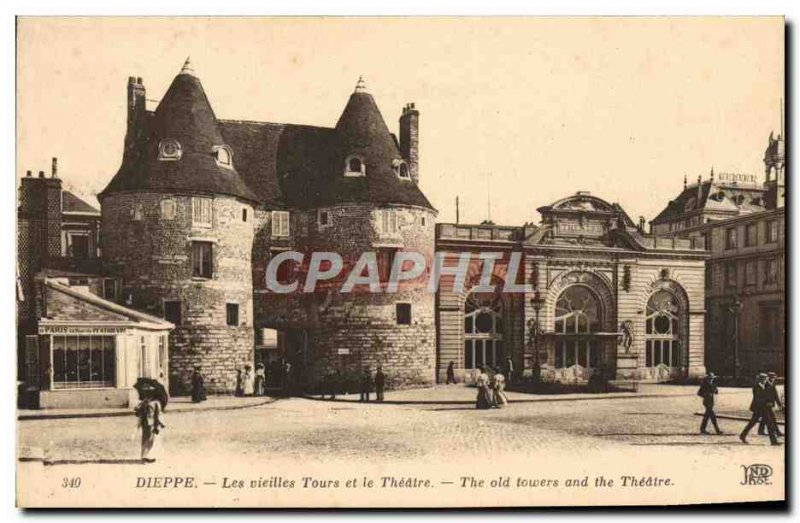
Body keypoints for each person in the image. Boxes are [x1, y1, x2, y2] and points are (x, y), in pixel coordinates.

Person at [740, 373, 780, 445]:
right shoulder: (756, 387)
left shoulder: (766, 385)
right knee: (752, 423)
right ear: (759, 379)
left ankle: (774, 441)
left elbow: (771, 394)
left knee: (769, 423)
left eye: (765, 379)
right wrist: (766, 402)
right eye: (763, 379)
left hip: (764, 408)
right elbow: (757, 398)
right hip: (758, 408)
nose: (765, 380)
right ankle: (742, 435)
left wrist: (770, 402)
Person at [133, 380, 165, 463]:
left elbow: (158, 414)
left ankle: (150, 456)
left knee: (152, 440)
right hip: (145, 423)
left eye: (149, 392)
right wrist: (138, 410)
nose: (147, 394)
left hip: (152, 423)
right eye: (146, 392)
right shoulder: (144, 401)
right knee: (145, 439)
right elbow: (139, 412)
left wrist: (158, 424)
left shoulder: (156, 403)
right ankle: (144, 456)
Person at [758, 371, 784, 437]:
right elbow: (764, 395)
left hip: (769, 404)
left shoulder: (772, 383)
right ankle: (777, 432)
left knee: (765, 418)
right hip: (765, 404)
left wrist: (779, 404)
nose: (773, 378)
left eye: (774, 377)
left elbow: (775, 394)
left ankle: (760, 430)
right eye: (772, 377)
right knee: (772, 418)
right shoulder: (765, 384)